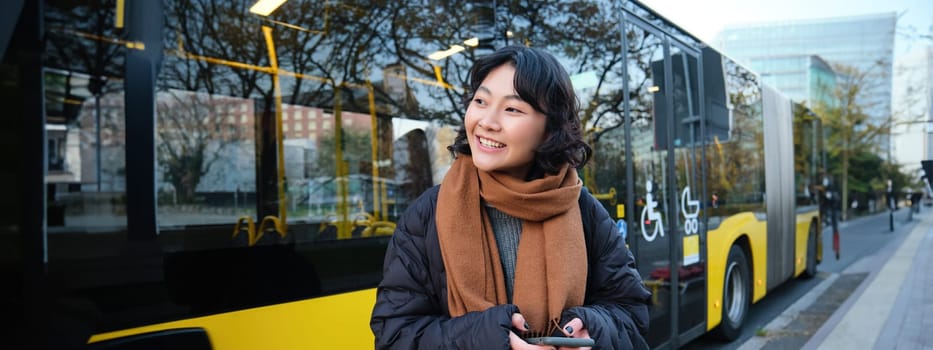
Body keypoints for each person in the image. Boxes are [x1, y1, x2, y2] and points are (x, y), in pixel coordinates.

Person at [370, 46, 651, 349]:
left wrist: (593, 329)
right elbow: (395, 334)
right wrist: (489, 338)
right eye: (480, 101)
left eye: (512, 109)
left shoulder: (583, 210)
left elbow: (631, 313)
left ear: (550, 129)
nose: (487, 121)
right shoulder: (427, 214)